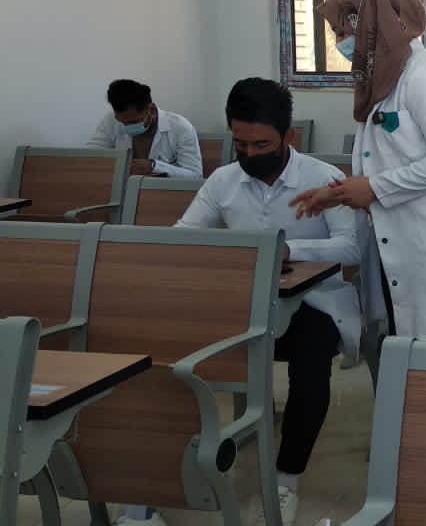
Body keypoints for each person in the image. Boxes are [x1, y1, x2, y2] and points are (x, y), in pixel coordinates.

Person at [115, 78, 360, 526]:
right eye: (240, 144)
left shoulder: (324, 179)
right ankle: (150, 490)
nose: (249, 154)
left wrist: (288, 250)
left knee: (311, 370)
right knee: (164, 362)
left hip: (312, 305)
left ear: (289, 137)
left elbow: (351, 247)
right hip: (240, 305)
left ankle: (286, 480)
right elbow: (185, 237)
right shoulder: (223, 181)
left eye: (261, 144)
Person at [292, 0, 426, 344]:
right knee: (405, 354)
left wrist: (374, 188)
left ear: (373, 24)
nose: (340, 42)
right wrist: (337, 195)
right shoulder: (384, 75)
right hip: (398, 244)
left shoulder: (425, 77)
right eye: (336, 33)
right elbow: (383, 159)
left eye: (344, 31)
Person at [86, 79, 202, 178]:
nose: (127, 127)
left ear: (151, 110)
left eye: (133, 121)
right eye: (122, 122)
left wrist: (154, 166)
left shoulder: (181, 128)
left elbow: (195, 175)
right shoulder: (110, 121)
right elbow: (90, 159)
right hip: (121, 190)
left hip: (163, 193)